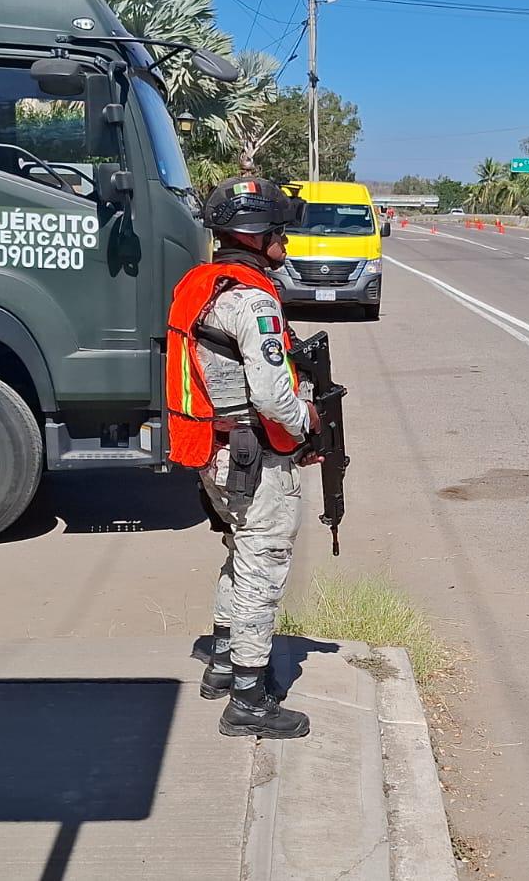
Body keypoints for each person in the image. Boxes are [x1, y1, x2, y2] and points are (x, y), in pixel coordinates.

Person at [167, 176, 322, 739]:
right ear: (255, 236)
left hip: (214, 449)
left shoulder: (202, 285)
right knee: (263, 562)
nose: (285, 241)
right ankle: (249, 699)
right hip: (252, 457)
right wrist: (307, 424)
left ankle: (223, 661)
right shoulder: (254, 301)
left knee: (240, 550)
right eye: (279, 231)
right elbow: (274, 397)